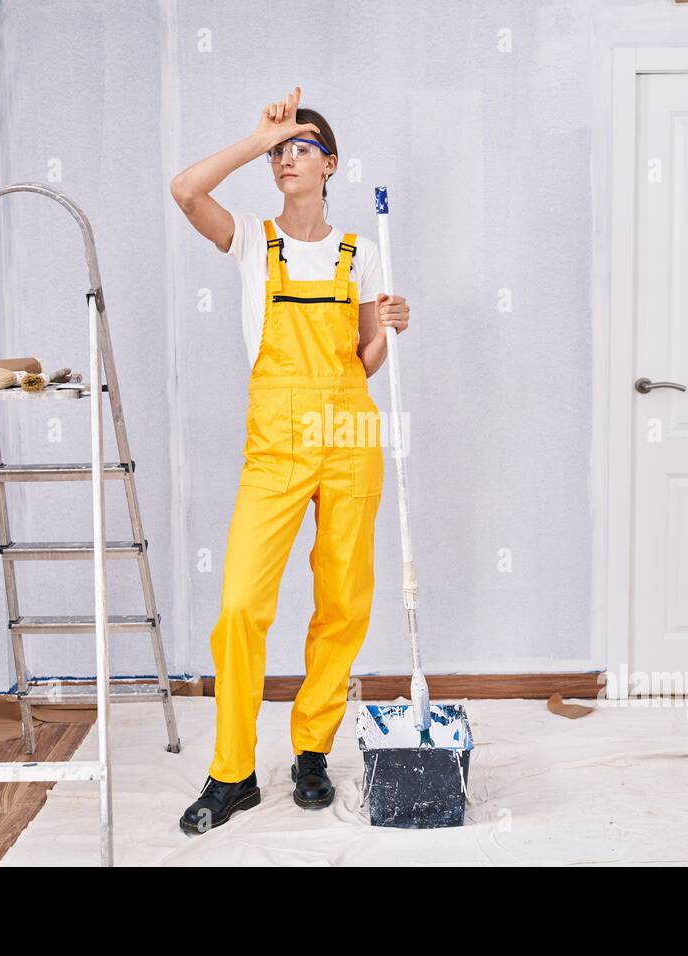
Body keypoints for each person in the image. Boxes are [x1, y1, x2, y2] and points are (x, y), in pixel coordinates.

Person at [169, 85, 411, 834]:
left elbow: (363, 360)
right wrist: (258, 134)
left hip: (350, 440)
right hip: (275, 445)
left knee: (342, 603)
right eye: (280, 152)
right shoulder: (250, 238)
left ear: (329, 164)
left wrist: (392, 328)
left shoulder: (359, 253)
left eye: (301, 147)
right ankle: (232, 770)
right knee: (240, 603)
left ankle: (312, 748)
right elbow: (184, 189)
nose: (285, 158)